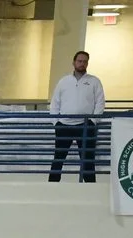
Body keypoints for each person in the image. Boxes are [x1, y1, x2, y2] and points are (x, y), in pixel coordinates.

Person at [48, 49, 105, 183]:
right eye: (79, 61)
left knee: (87, 160)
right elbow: (55, 102)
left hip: (86, 125)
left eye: (85, 61)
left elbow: (100, 102)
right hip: (64, 125)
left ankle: (91, 188)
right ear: (74, 62)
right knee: (58, 159)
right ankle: (51, 187)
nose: (82, 64)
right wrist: (55, 122)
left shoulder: (94, 81)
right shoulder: (64, 81)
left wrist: (93, 121)